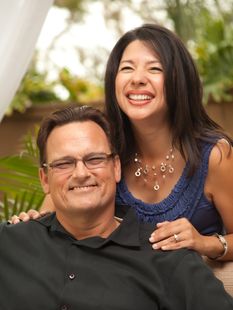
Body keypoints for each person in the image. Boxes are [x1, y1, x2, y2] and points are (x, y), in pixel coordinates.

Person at [1, 105, 233, 310]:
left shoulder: (169, 257)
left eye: (94, 159)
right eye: (64, 163)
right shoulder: (9, 243)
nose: (81, 173)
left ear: (116, 168)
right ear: (44, 179)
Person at [12, 24, 233, 261]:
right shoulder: (100, 148)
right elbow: (53, 211)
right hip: (115, 290)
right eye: (127, 68)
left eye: (155, 68)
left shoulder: (215, 156)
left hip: (189, 289)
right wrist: (32, 223)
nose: (137, 79)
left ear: (179, 80)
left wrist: (206, 243)